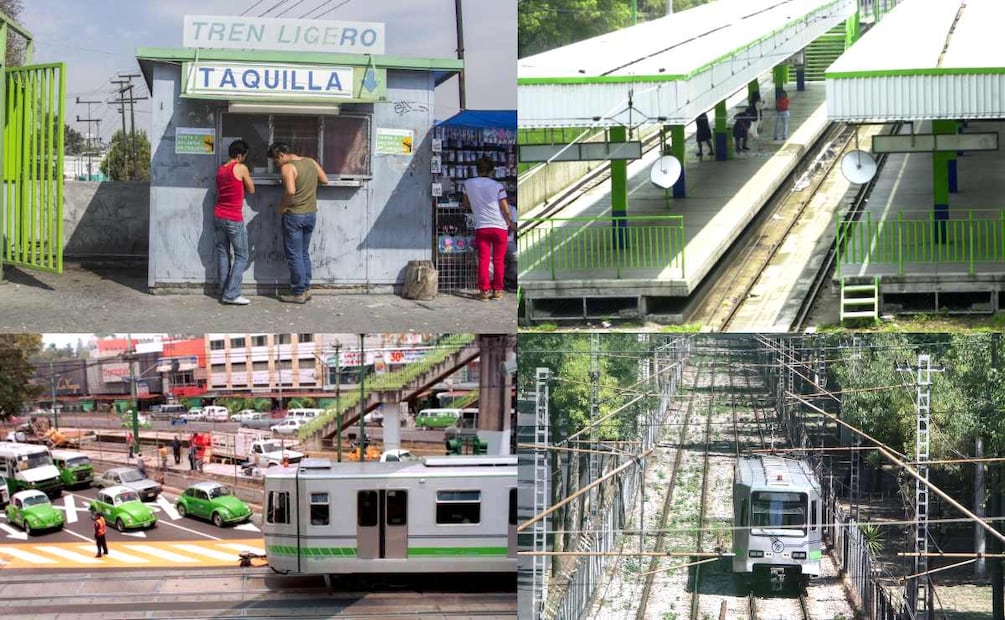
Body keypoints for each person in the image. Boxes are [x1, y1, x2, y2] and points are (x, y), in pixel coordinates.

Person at [267, 143, 329, 304]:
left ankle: (298, 292)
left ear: (280, 155)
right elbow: (324, 180)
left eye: (275, 160)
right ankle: (306, 288)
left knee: (294, 255)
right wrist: (308, 184)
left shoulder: (287, 168)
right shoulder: (311, 162)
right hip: (311, 214)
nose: (276, 164)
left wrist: (282, 207)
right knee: (303, 253)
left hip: (294, 215)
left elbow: (290, 191)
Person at [462, 156, 514, 301]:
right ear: (492, 171)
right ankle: (497, 290)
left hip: (482, 227)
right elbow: (506, 209)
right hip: (499, 227)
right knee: (499, 260)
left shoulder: (468, 184)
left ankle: (484, 291)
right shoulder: (498, 186)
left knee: (484, 259)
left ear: (477, 169)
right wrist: (509, 221)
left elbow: (466, 204)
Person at [214, 139, 256, 305]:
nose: (244, 159)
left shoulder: (221, 169)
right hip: (233, 218)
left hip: (218, 216)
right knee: (242, 255)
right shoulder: (240, 167)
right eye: (244, 156)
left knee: (223, 253)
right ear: (239, 155)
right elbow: (251, 189)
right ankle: (231, 294)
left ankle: (224, 290)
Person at [504, 201, 518, 292]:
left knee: (516, 257)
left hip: (508, 240)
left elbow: (517, 228)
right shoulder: (492, 208)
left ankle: (509, 278)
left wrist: (508, 222)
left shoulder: (512, 209)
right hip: (494, 240)